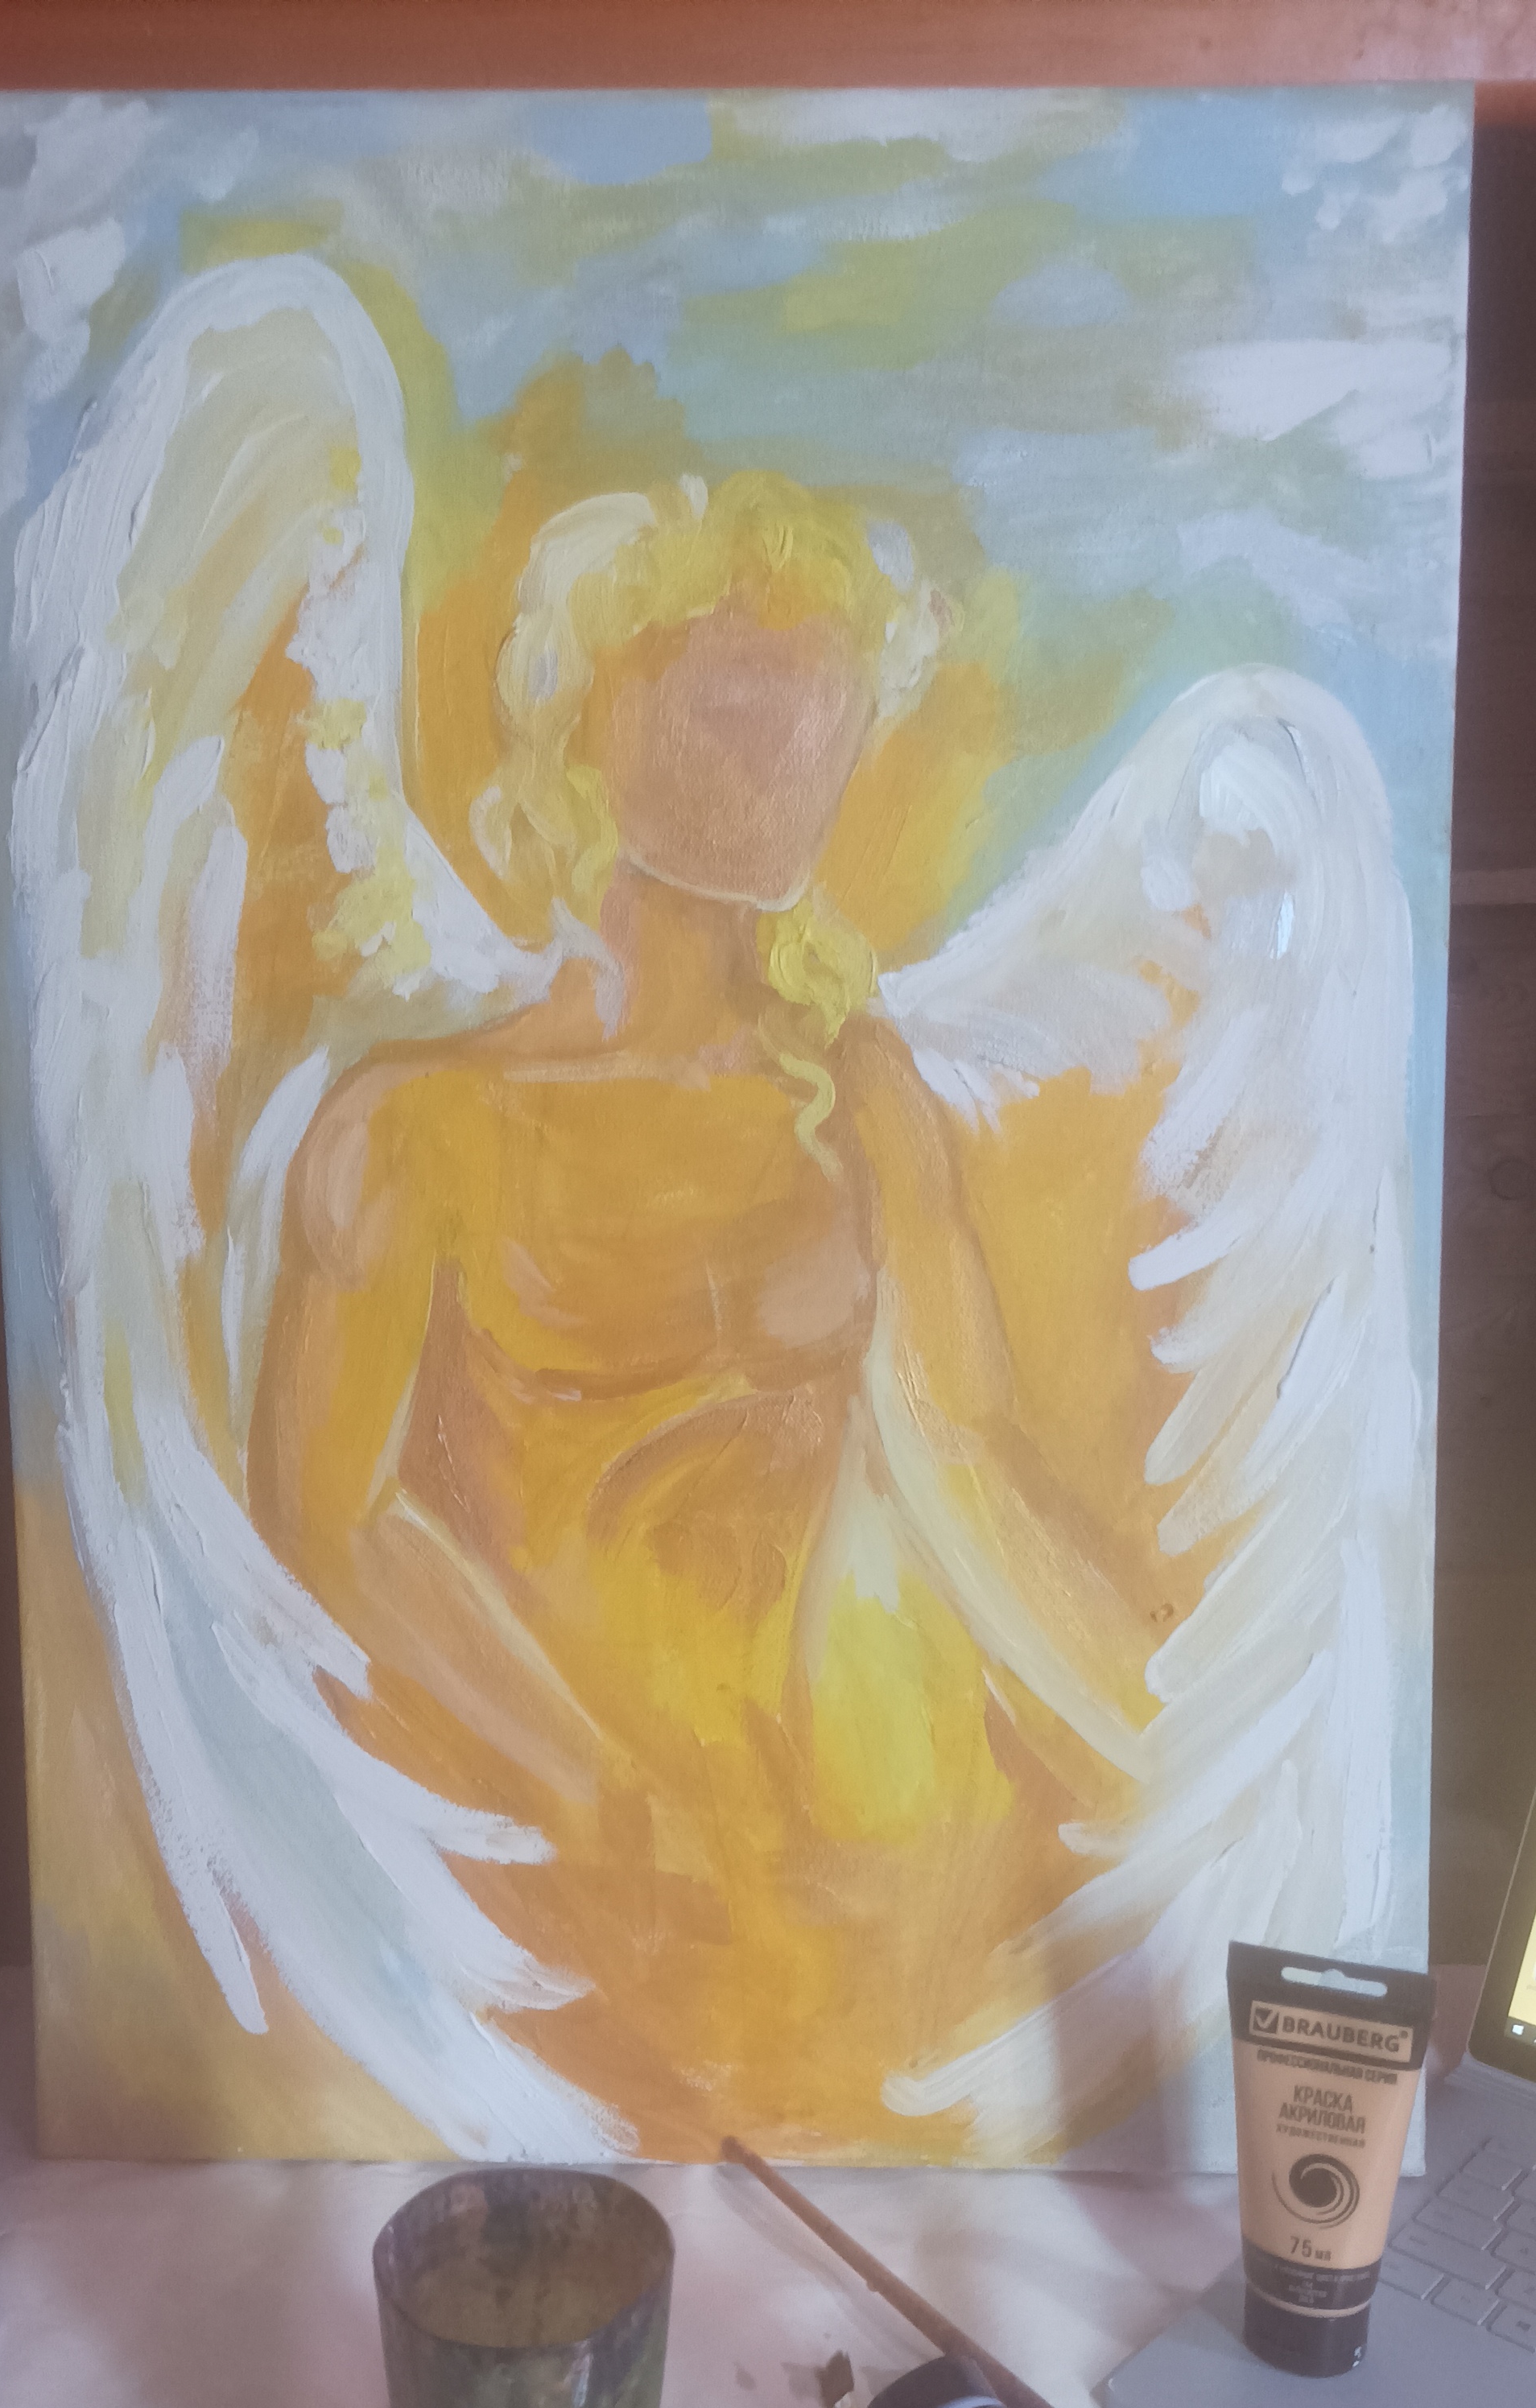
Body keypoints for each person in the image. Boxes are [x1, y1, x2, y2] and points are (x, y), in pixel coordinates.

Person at [246, 470, 1205, 2156]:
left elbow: (973, 1467)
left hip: (869, 1861)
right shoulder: (414, 1129)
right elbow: (330, 1525)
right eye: (726, 691)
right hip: (574, 1894)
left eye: (820, 699)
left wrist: (1178, 1758)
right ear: (585, 722)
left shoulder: (863, 1091)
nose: (787, 745)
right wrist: (590, 1784)